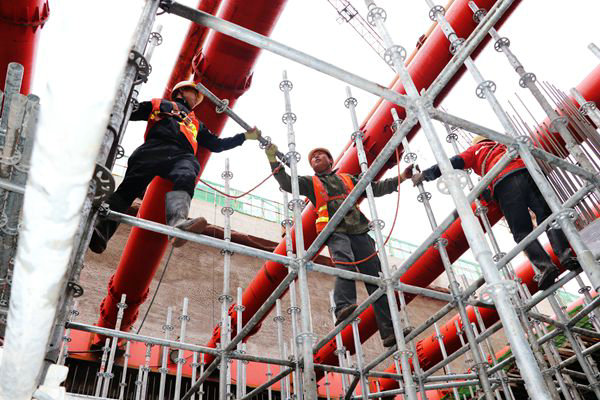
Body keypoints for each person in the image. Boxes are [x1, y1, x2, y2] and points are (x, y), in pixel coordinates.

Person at [265, 144, 413, 347]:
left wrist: (402, 177)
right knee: (345, 262)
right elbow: (287, 182)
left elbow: (375, 188)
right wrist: (272, 158)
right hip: (334, 230)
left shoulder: (348, 179)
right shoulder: (310, 182)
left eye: (320, 155)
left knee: (376, 278)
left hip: (359, 228)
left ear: (330, 160)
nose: (316, 157)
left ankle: (389, 331)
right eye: (313, 157)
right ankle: (343, 306)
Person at [89, 80, 261, 253]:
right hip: (154, 147)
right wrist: (117, 103)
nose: (197, 99)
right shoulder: (159, 104)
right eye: (195, 94)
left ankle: (178, 223)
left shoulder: (196, 123)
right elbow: (130, 112)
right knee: (129, 188)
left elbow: (217, 145)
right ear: (182, 92)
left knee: (188, 173)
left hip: (182, 154)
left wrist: (244, 137)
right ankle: (99, 231)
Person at [412, 135, 580, 290]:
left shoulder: (476, 150)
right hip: (528, 172)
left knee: (521, 232)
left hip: (504, 182)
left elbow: (452, 162)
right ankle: (566, 256)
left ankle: (546, 267)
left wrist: (426, 174)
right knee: (550, 218)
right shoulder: (505, 144)